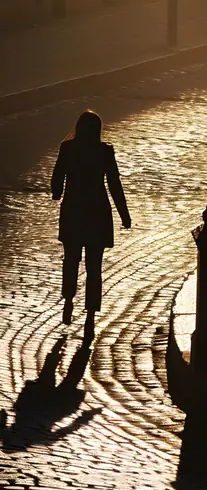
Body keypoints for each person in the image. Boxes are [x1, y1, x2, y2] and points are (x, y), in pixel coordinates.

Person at [51, 110, 131, 341]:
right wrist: (124, 215)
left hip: (74, 210)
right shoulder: (104, 151)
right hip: (97, 211)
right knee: (94, 265)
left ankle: (68, 298)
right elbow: (114, 183)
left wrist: (57, 192)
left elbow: (58, 176)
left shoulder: (68, 149)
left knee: (71, 258)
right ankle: (91, 311)